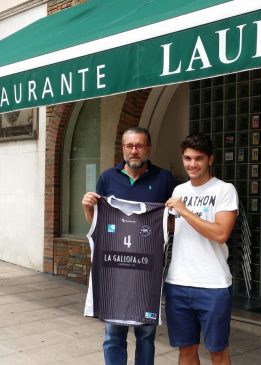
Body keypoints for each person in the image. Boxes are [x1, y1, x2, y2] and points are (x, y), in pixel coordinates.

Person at [82, 126, 175, 365]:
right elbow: (100, 224)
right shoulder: (107, 177)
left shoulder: (164, 179)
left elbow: (171, 223)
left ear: (149, 148)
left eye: (139, 145)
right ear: (123, 148)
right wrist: (87, 208)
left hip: (147, 271)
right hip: (116, 269)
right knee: (113, 333)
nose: (134, 150)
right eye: (129, 146)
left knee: (146, 334)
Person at [165, 133, 239, 365]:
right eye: (187, 158)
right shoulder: (179, 191)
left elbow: (220, 234)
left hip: (213, 285)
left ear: (210, 160)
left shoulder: (224, 190)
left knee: (218, 352)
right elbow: (175, 231)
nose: (192, 164)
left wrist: (185, 211)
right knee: (185, 350)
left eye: (199, 158)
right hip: (178, 282)